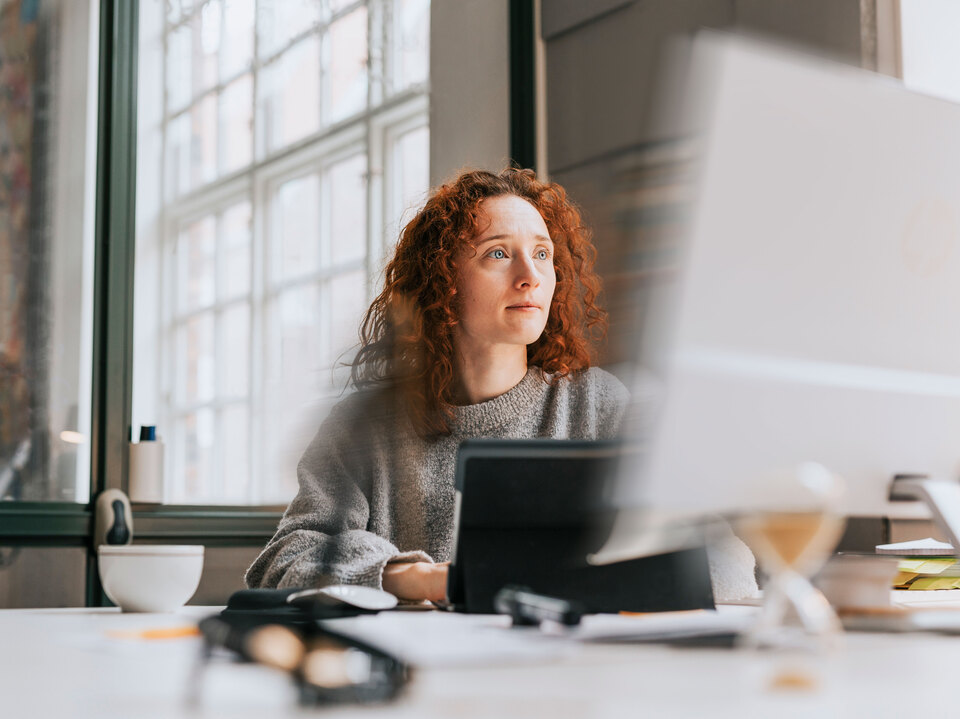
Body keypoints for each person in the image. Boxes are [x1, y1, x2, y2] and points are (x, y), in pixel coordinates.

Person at [244, 167, 757, 602]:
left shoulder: (600, 406)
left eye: (542, 254)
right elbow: (286, 557)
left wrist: (583, 584)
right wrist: (424, 580)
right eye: (496, 254)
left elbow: (729, 567)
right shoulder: (366, 426)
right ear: (443, 278)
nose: (529, 276)